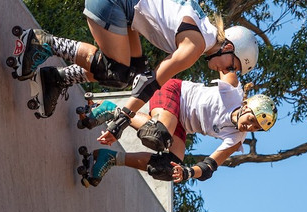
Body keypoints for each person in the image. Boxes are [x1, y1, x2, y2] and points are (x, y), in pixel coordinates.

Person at [14, 0, 259, 148]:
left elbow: (143, 72)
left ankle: (57, 78)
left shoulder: (202, 31)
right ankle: (45, 43)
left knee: (128, 75)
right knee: (119, 72)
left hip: (120, 0)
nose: (225, 71)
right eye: (231, 65)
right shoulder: (194, 46)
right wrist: (122, 119)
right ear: (228, 46)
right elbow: (154, 82)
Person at [77, 69, 277, 187]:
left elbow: (209, 166)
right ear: (246, 106)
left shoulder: (237, 138)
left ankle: (111, 158)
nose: (248, 126)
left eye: (255, 128)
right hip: (174, 93)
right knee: (158, 135)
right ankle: (113, 111)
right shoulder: (232, 90)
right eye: (252, 119)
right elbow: (220, 59)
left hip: (180, 124)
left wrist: (187, 172)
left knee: (167, 167)